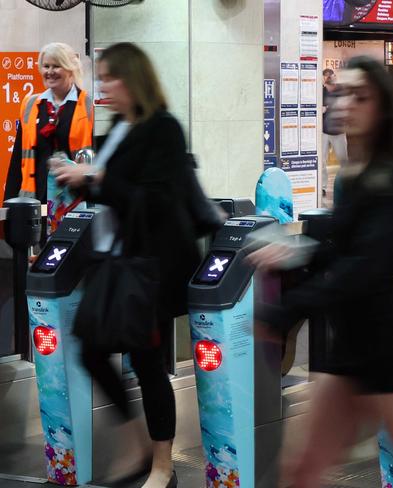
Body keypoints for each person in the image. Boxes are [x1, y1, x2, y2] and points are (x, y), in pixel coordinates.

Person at [248, 56, 393, 488]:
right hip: (351, 348)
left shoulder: (391, 179)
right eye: (341, 92)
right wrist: (296, 252)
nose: (347, 102)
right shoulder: (351, 176)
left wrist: (286, 309)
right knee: (301, 470)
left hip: (389, 350)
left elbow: (366, 268)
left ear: (381, 108)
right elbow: (343, 252)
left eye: (360, 95)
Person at [54, 42, 200, 488]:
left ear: (134, 79)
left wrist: (95, 177)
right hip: (117, 262)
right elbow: (115, 192)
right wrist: (79, 177)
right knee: (93, 351)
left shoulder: (164, 129)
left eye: (111, 76)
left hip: (152, 267)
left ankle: (162, 465)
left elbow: (154, 200)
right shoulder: (118, 126)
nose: (104, 85)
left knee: (148, 361)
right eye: (101, 76)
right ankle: (141, 447)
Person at [5, 42, 93, 229]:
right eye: (46, 66)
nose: (50, 72)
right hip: (35, 199)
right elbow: (18, 158)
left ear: (69, 69)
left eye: (56, 66)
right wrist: (10, 204)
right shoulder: (30, 104)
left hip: (72, 200)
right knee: (36, 256)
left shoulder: (86, 104)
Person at [322, 68, 348, 196]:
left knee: (343, 159)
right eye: (326, 77)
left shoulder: (341, 91)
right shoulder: (321, 92)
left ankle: (347, 184)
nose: (328, 79)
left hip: (339, 130)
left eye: (330, 77)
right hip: (324, 131)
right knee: (322, 160)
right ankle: (322, 186)